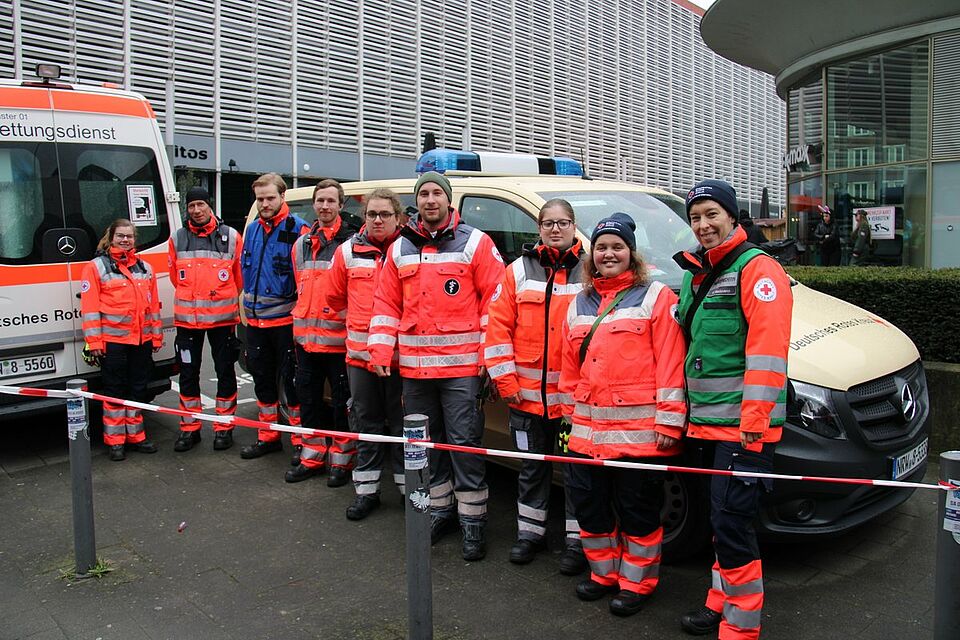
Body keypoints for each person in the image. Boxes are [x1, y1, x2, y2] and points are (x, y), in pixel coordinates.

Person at [674, 179, 792, 639]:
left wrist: (754, 425)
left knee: (734, 524)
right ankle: (718, 602)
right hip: (706, 425)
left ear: (732, 216)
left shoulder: (758, 271)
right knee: (719, 523)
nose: (703, 225)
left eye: (711, 215)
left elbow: (767, 354)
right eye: (696, 217)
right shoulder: (696, 273)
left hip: (743, 430)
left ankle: (741, 627)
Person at [368, 171, 505, 561]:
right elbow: (385, 305)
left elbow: (492, 305)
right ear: (417, 202)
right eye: (424, 193)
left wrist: (486, 361)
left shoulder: (476, 243)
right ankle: (440, 511)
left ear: (449, 201)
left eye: (437, 193)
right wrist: (379, 353)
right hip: (415, 371)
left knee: (464, 444)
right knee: (426, 448)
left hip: (461, 371)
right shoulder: (400, 248)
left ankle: (473, 523)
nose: (430, 199)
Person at [558, 212, 687, 617]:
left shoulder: (656, 298)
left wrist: (669, 419)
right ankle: (603, 574)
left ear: (632, 254)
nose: (609, 253)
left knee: (638, 510)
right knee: (590, 506)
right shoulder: (578, 303)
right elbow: (568, 369)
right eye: (602, 247)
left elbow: (671, 361)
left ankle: (637, 582)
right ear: (591, 256)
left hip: (638, 434)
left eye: (617, 246)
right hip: (587, 434)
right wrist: (568, 421)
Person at [483, 198, 588, 574]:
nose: (555, 229)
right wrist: (506, 382)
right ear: (539, 229)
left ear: (574, 226)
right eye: (548, 223)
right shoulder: (517, 272)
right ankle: (530, 534)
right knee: (531, 470)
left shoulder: (591, 272)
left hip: (574, 405)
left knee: (577, 473)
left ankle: (578, 543)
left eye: (562, 222)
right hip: (525, 399)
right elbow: (497, 331)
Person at [326, 188, 407, 518]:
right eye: (371, 214)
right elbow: (333, 297)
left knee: (404, 427)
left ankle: (408, 490)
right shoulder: (347, 252)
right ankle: (367, 491)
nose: (377, 220)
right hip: (360, 359)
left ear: (398, 217)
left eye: (384, 214)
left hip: (402, 359)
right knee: (367, 423)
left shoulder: (410, 251)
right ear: (363, 218)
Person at [287, 179, 357, 486]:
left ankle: (342, 463)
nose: (325, 206)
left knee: (343, 406)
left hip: (339, 344)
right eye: (320, 201)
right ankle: (311, 458)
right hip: (306, 342)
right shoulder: (301, 244)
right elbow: (298, 288)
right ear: (314, 205)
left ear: (341, 205)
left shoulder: (351, 243)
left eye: (331, 201)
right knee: (310, 402)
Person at [239, 173, 309, 460]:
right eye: (260, 199)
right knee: (262, 381)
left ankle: (299, 440)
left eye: (270, 198)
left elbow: (306, 280)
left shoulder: (299, 230)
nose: (265, 204)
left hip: (285, 322)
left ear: (283, 197)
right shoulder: (253, 230)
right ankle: (267, 436)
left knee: (292, 384)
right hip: (255, 322)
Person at [168, 187, 243, 452]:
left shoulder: (232, 237)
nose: (196, 210)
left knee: (225, 372)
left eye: (200, 204)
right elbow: (175, 277)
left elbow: (239, 277)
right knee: (188, 374)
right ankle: (190, 429)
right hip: (188, 322)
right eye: (191, 206)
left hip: (222, 322)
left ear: (209, 206)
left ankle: (224, 427)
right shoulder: (177, 238)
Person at [80, 219, 162, 461]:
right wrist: (94, 343)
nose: (125, 240)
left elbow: (153, 307)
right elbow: (90, 309)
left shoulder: (145, 268)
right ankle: (115, 441)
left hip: (141, 341)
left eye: (130, 236)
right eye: (121, 236)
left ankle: (137, 436)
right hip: (113, 342)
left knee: (138, 389)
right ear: (111, 237)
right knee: (115, 391)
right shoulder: (95, 267)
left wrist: (156, 337)